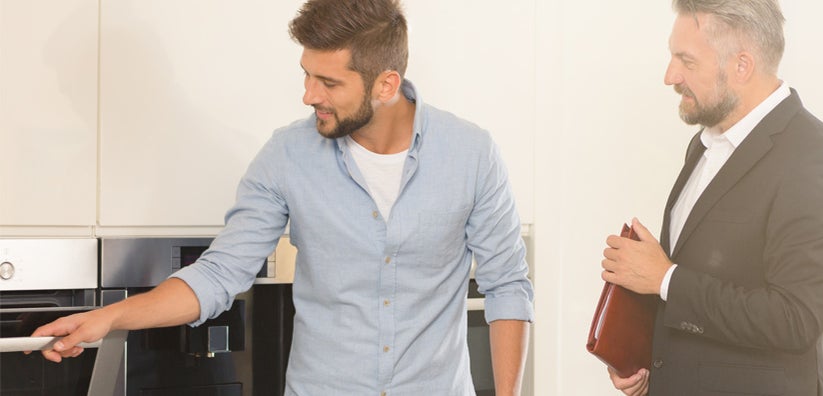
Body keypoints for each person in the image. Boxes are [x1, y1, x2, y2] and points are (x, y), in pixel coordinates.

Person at [30, 0, 533, 394]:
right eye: (306, 74)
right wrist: (108, 317)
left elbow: (507, 285)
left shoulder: (471, 154)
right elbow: (219, 274)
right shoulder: (287, 156)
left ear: (386, 84)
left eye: (329, 82)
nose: (309, 94)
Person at [600, 0, 823, 395]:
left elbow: (794, 320)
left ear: (742, 66)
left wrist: (665, 278)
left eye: (686, 61)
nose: (670, 75)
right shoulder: (703, 145)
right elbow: (696, 292)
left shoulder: (817, 158)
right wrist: (643, 358)